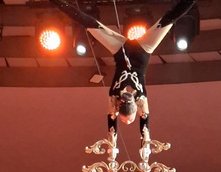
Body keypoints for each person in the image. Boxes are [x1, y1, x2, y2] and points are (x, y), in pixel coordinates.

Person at [53, 0, 197, 141]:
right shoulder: (115, 95)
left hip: (138, 50)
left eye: (126, 120)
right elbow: (112, 127)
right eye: (129, 120)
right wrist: (116, 146)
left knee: (169, 19)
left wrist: (142, 147)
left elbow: (144, 130)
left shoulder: (140, 97)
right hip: (123, 49)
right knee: (88, 23)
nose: (127, 122)